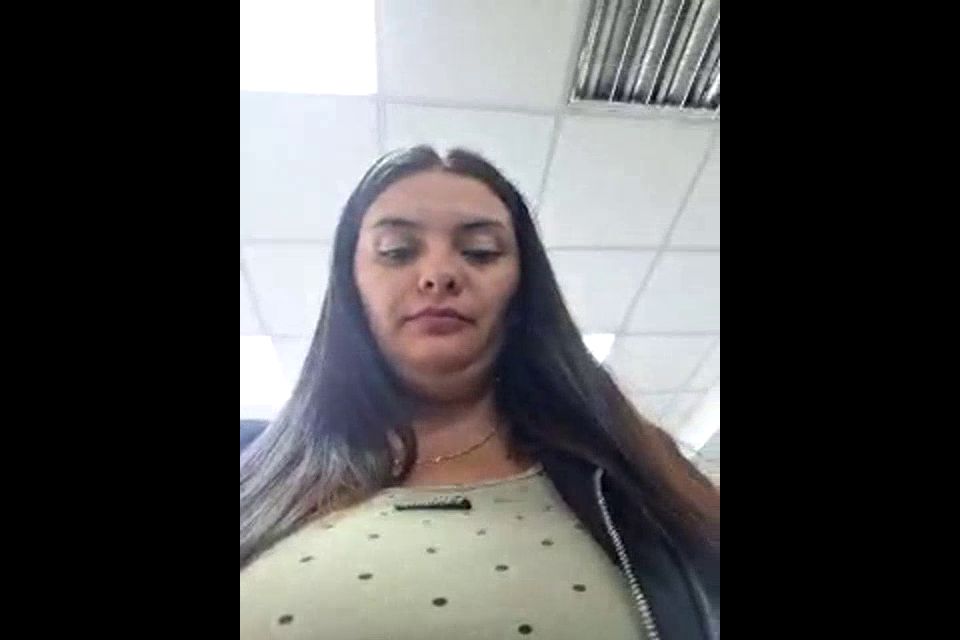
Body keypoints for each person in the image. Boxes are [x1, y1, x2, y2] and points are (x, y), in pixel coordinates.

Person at [240, 146, 719, 639]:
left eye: (481, 252)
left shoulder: (638, 468)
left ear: (522, 290)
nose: (438, 274)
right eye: (398, 251)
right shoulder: (252, 469)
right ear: (351, 284)